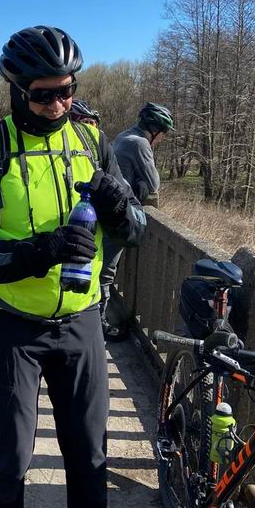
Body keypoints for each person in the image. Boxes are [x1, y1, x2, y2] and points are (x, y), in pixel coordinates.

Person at [0, 25, 146, 508]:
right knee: (12, 457)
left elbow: (134, 231)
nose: (58, 103)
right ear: (16, 92)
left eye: (67, 90)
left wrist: (119, 206)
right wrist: (42, 250)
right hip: (11, 327)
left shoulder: (92, 141)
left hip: (81, 323)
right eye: (42, 95)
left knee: (89, 456)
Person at [99, 102, 174, 339]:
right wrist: (141, 186)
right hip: (118, 214)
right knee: (106, 271)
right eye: (163, 134)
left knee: (100, 266)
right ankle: (98, 325)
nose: (161, 140)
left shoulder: (124, 135)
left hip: (105, 206)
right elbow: (153, 184)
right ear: (155, 130)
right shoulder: (140, 143)